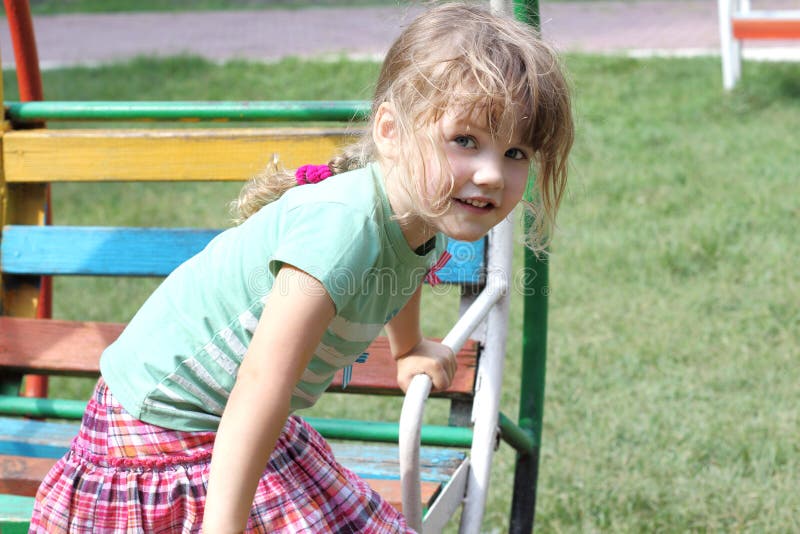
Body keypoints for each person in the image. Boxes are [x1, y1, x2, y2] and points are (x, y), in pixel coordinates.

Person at [29, 2, 573, 532]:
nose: (491, 175)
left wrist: (407, 348)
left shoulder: (416, 217)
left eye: (515, 154)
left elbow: (399, 271)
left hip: (238, 424)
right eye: (465, 141)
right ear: (389, 130)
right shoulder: (343, 229)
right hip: (164, 432)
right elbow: (261, 382)